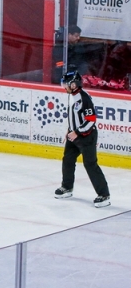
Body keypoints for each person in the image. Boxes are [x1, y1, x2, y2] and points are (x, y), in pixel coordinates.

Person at [54, 71, 110, 207]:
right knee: (68, 159)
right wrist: (70, 130)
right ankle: (67, 187)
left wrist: (77, 132)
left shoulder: (85, 98)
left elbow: (91, 120)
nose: (64, 87)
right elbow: (74, 116)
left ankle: (104, 195)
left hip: (87, 137)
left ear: (74, 85)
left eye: (66, 84)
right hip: (74, 134)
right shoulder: (71, 95)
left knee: (90, 164)